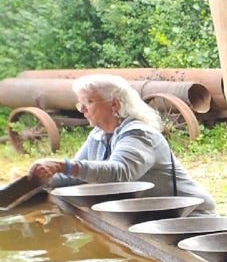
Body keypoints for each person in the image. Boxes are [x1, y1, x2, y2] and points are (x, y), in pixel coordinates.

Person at [29, 74, 217, 214]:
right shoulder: (99, 134)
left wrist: (63, 166)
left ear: (115, 104)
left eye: (89, 102)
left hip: (188, 217)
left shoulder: (139, 134)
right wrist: (40, 179)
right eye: (80, 103)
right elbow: (78, 176)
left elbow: (119, 174)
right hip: (154, 216)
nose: (82, 109)